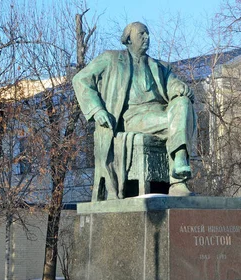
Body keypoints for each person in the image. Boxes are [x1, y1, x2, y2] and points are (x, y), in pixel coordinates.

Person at [72, 21, 195, 199]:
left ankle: (179, 170)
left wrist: (180, 88)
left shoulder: (160, 66)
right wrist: (97, 110)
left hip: (160, 114)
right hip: (131, 117)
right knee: (177, 121)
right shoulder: (111, 58)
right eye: (141, 34)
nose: (147, 37)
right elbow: (80, 79)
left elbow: (173, 84)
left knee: (183, 103)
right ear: (128, 39)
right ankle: (177, 176)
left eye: (148, 34)